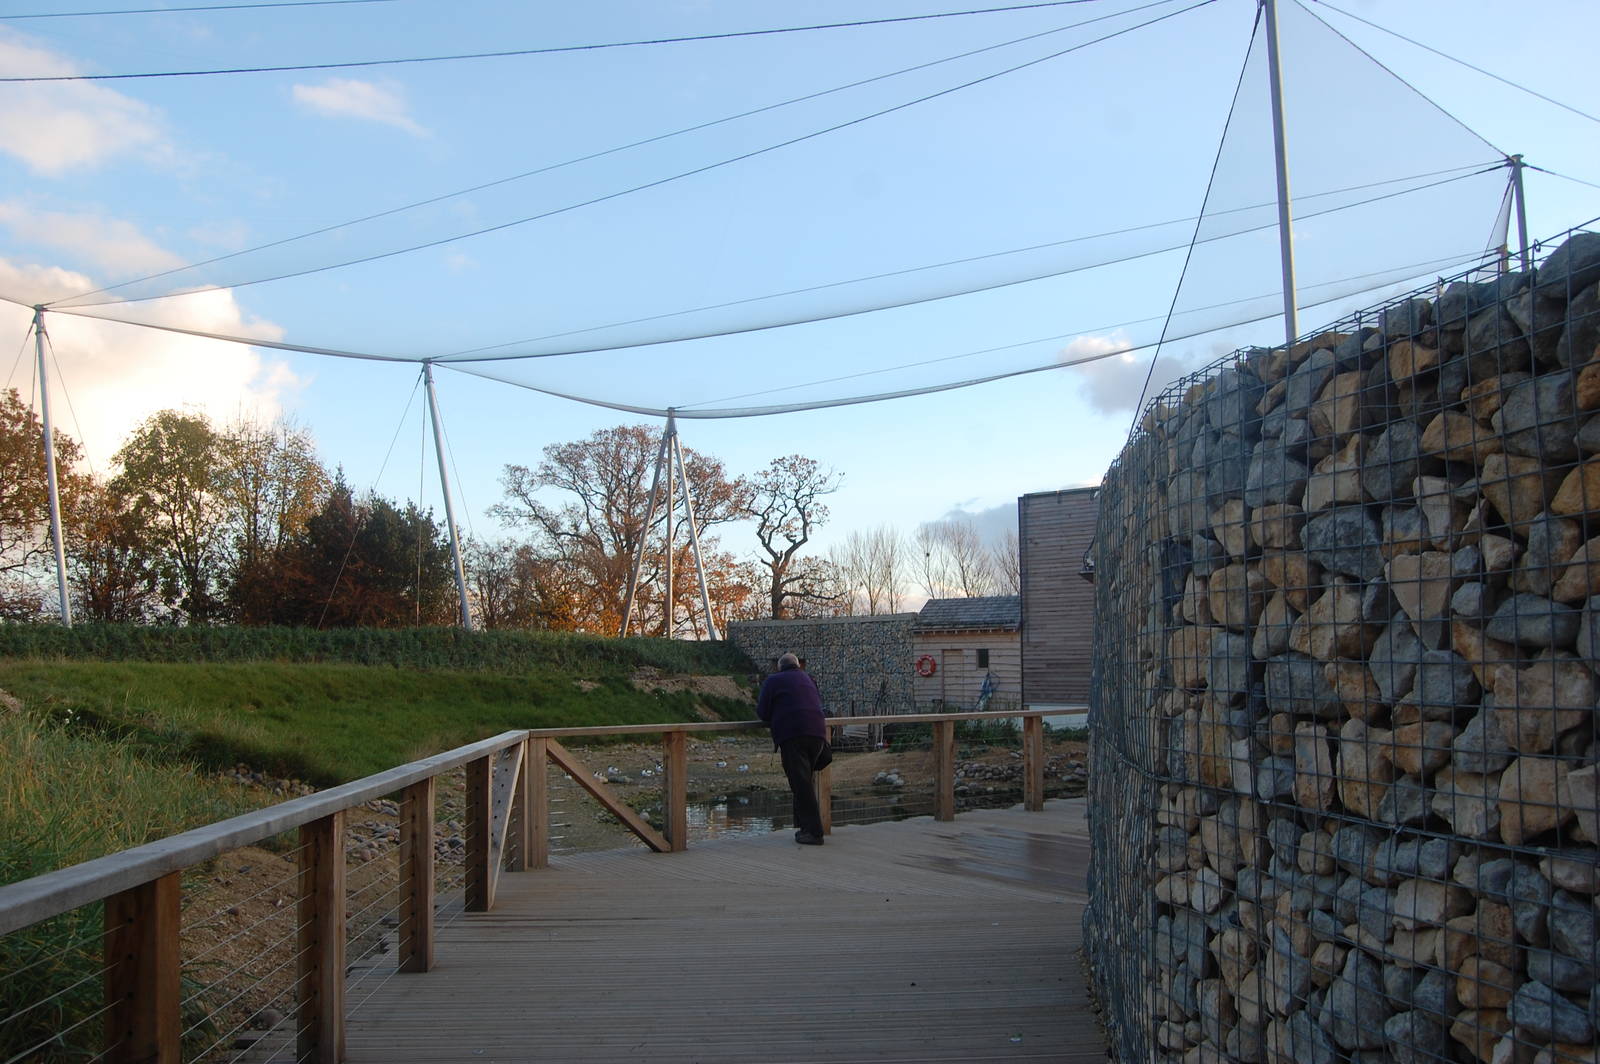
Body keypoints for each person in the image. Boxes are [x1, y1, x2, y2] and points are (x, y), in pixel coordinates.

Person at [756, 652, 829, 846]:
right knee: (804, 782)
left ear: (780, 667)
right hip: (818, 735)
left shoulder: (773, 681)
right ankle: (804, 828)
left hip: (793, 735)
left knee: (801, 784)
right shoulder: (809, 679)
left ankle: (814, 833)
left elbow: (762, 712)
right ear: (798, 666)